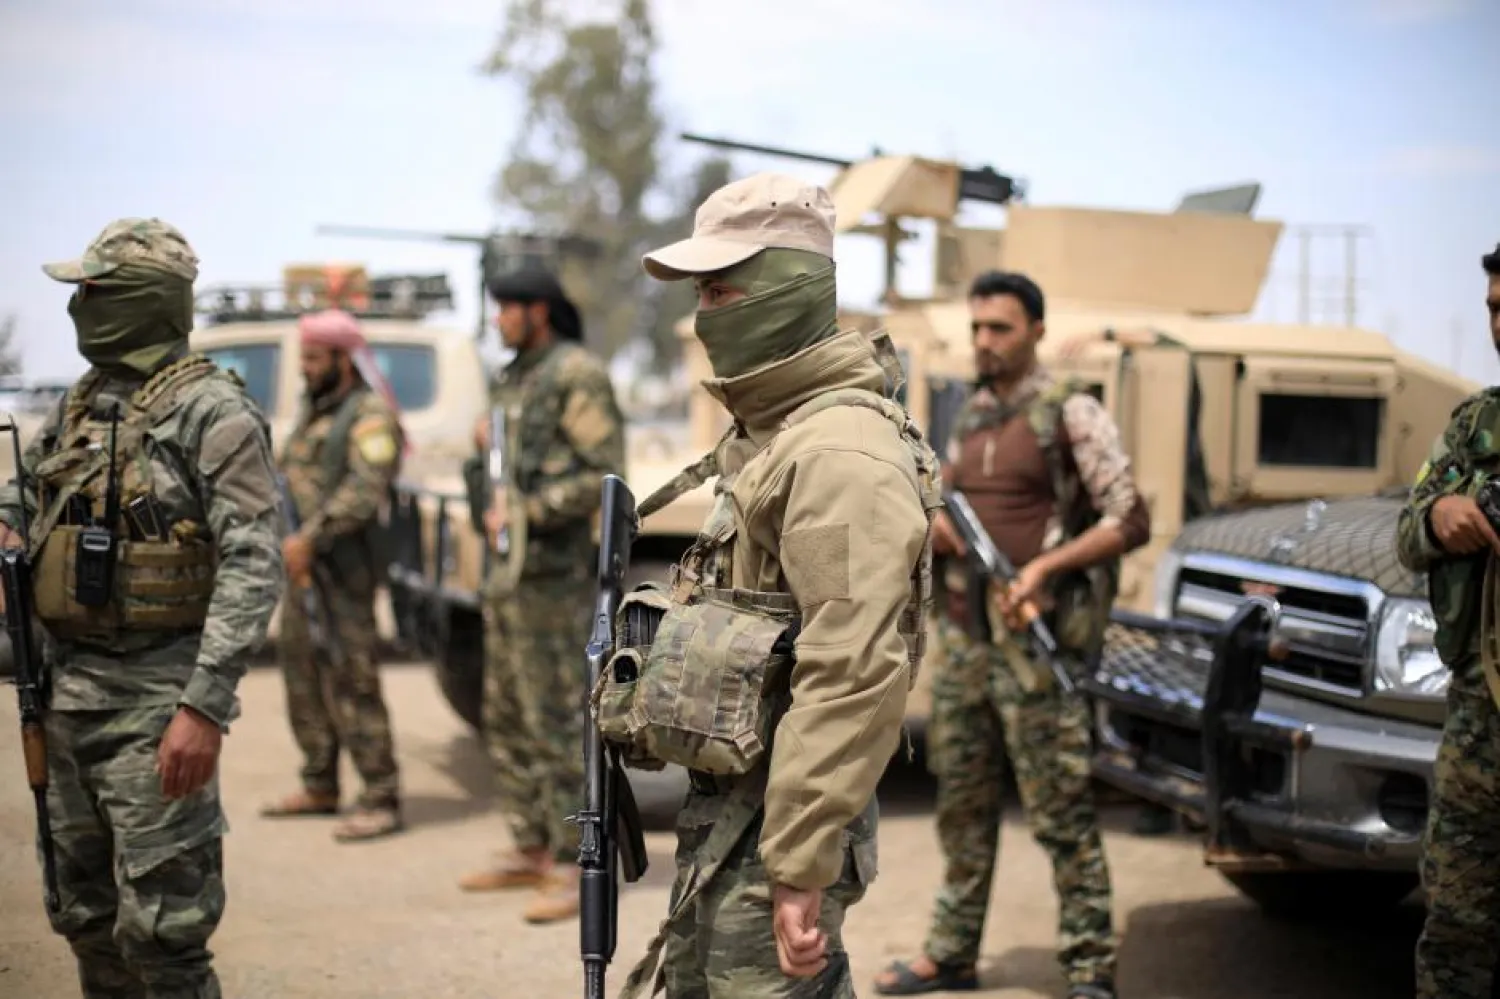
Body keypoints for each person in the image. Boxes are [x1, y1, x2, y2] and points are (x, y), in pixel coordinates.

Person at [597, 172, 943, 998]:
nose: (702, 316)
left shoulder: (837, 454)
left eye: (719, 290)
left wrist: (800, 861)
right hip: (733, 815)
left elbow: (852, 672)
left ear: (784, 288)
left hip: (774, 823)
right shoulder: (775, 434)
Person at [0, 217, 285, 997]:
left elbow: (253, 565)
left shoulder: (213, 413)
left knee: (164, 935)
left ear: (139, 300)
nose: (77, 307)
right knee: (87, 919)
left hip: (157, 705)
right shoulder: (83, 402)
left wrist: (203, 707)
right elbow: (27, 498)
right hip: (64, 698)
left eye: (91, 291)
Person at [875, 270, 1150, 999]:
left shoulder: (1073, 412)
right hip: (967, 641)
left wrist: (1044, 568)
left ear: (1035, 330)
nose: (984, 342)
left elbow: (1131, 519)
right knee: (961, 805)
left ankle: (1090, 967)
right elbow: (959, 505)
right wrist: (936, 527)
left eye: (999, 328)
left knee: (1061, 811)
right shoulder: (971, 417)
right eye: (976, 329)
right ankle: (953, 951)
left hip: (1034, 642)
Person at [456, 265, 627, 924]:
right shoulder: (513, 378)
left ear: (540, 311)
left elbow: (601, 473)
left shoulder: (574, 374)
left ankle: (571, 856)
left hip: (553, 581)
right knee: (508, 715)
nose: (498, 319)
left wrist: (528, 508)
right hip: (510, 578)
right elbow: (493, 477)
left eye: (508, 308)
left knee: (559, 719)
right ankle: (530, 842)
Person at [259, 308, 408, 841]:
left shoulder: (368, 415)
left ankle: (379, 794)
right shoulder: (311, 409)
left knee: (354, 680)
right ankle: (320, 783)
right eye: (303, 357)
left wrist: (311, 537)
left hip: (344, 573)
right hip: (304, 571)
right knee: (301, 674)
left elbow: (365, 492)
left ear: (343, 360)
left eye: (315, 358)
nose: (305, 367)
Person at [1397, 241, 1500, 999]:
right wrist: (1439, 514)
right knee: (1458, 918)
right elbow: (1406, 533)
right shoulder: (1475, 427)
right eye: (1495, 310)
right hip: (1482, 715)